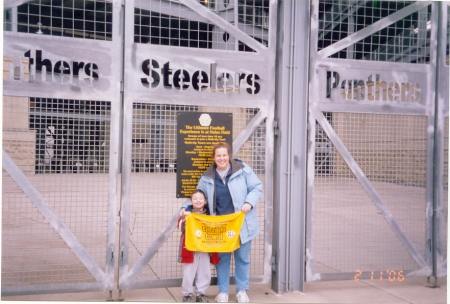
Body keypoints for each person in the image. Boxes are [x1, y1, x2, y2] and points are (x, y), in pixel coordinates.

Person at [181, 142, 262, 303]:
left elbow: (257, 187)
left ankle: (242, 290)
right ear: (214, 158)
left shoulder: (243, 170)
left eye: (224, 155)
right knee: (222, 259)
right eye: (218, 156)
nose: (222, 158)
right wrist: (185, 208)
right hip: (220, 227)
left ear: (229, 155)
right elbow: (198, 197)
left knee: (242, 258)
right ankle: (223, 291)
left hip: (242, 224)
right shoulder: (207, 178)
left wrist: (249, 202)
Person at [179, 189, 220, 303]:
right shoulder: (187, 214)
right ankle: (187, 294)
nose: (198, 201)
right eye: (195, 199)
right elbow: (180, 228)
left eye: (200, 198)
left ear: (205, 201)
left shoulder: (209, 215)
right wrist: (185, 218)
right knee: (188, 272)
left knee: (205, 271)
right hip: (191, 248)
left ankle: (200, 293)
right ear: (190, 202)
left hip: (205, 248)